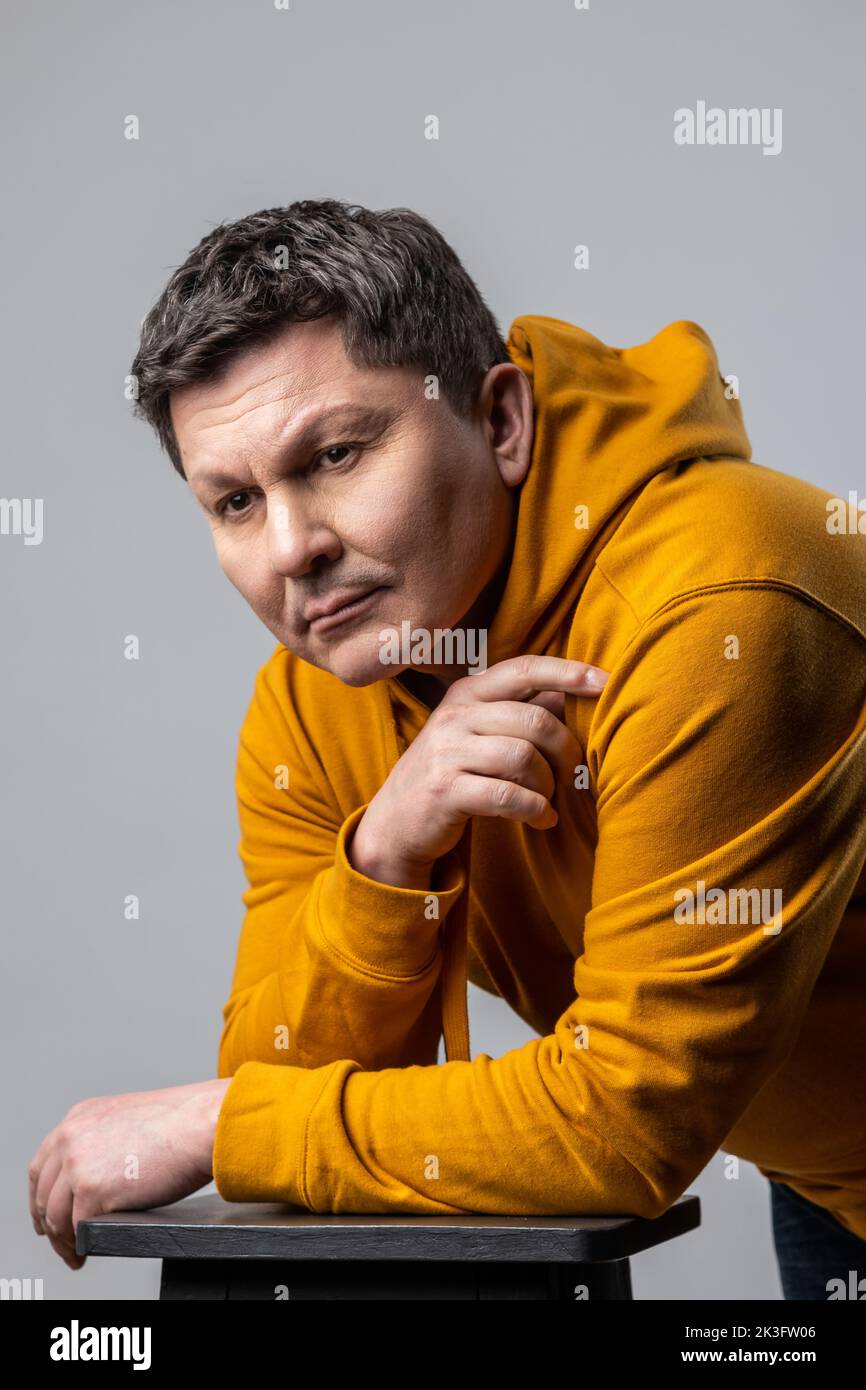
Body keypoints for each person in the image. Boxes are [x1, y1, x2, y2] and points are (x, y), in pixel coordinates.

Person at [28, 200, 866, 1301]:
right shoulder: (317, 696)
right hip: (822, 1175)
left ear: (501, 422)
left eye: (334, 454)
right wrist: (381, 857)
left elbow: (624, 1126)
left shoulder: (721, 604)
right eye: (233, 500)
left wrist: (216, 1123)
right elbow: (293, 1092)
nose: (293, 549)